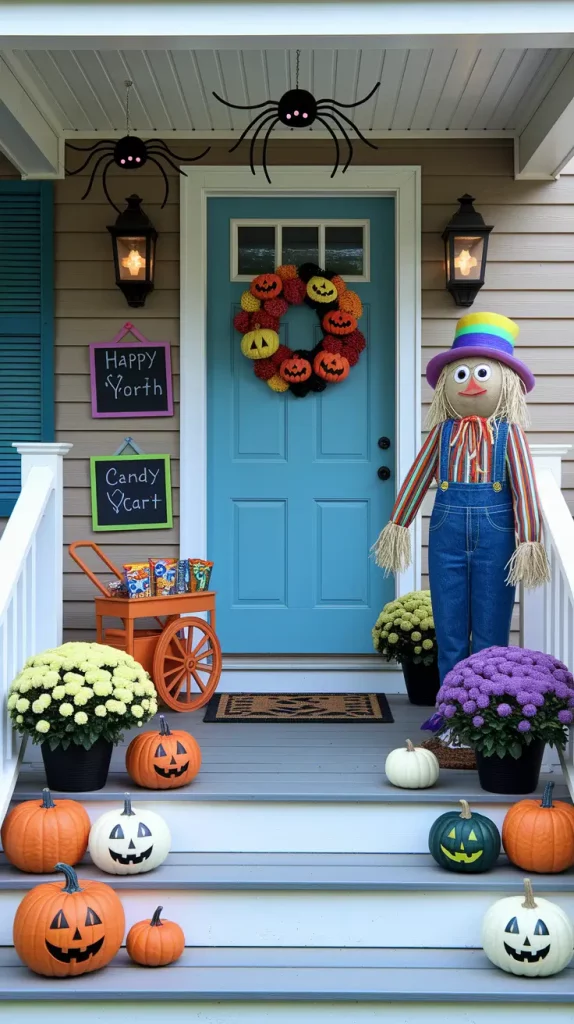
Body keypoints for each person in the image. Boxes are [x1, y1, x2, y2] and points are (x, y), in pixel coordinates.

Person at [373, 312, 549, 682]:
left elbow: (525, 489)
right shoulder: (442, 433)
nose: (470, 383)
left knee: (491, 624)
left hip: (497, 537)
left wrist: (529, 542)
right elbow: (417, 477)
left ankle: (483, 703)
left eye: (482, 373)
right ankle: (450, 701)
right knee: (449, 623)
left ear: (507, 381)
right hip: (446, 534)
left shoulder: (509, 434)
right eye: (462, 373)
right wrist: (397, 525)